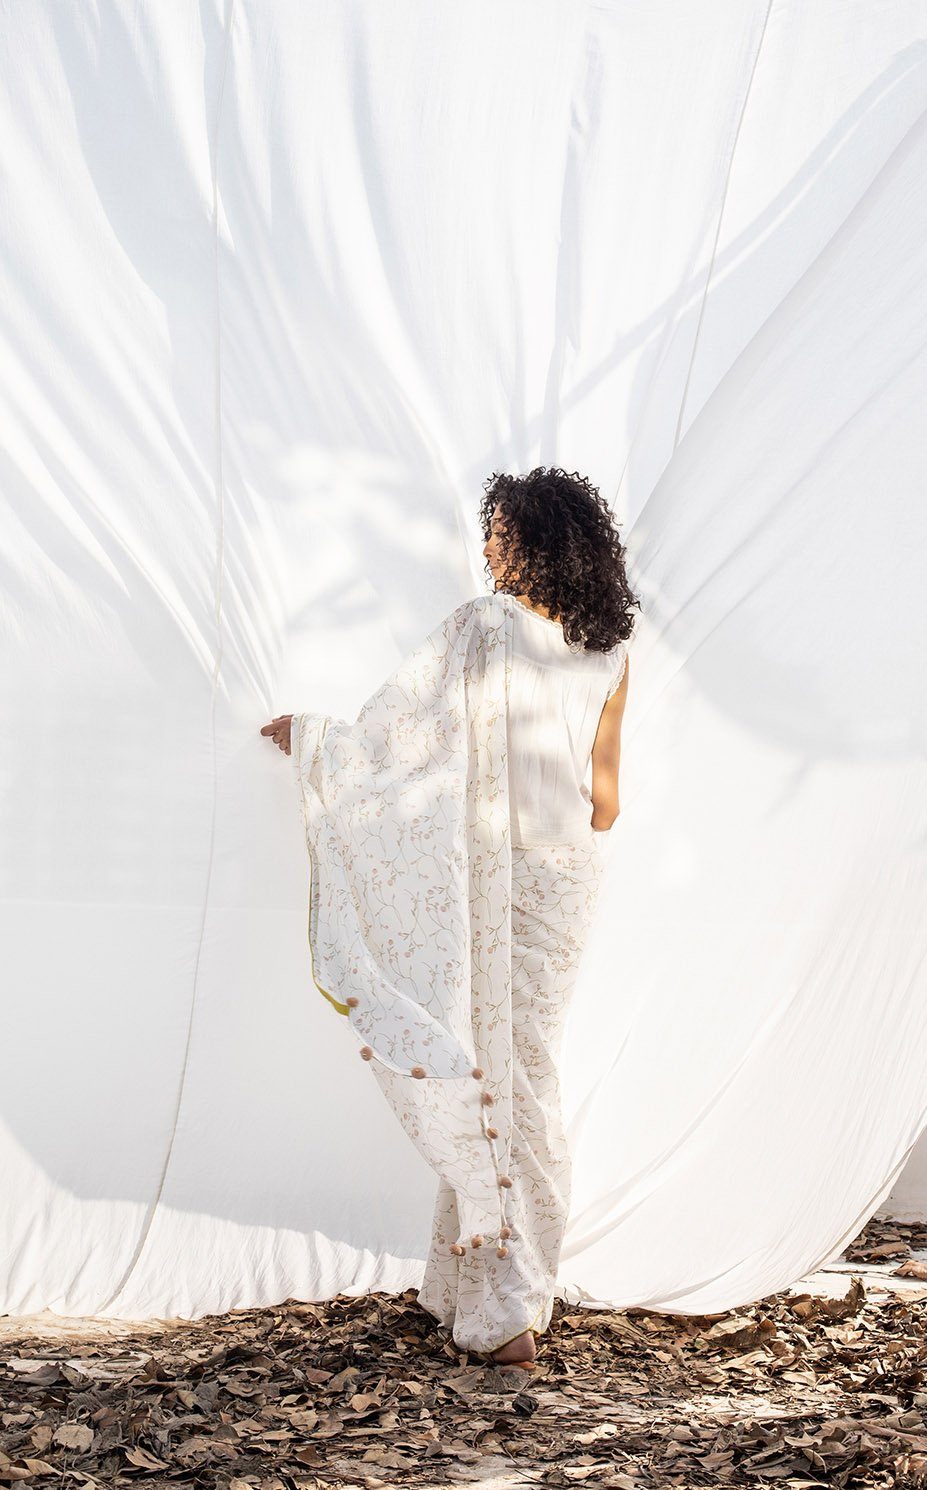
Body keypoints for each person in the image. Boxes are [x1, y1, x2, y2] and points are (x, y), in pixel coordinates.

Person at [261, 466, 639, 1371]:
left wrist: (316, 741)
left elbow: (396, 736)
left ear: (535, 541)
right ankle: (473, 1285)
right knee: (519, 1069)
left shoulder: (488, 625)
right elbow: (608, 803)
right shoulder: (613, 653)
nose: (488, 550)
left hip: (503, 873)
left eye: (499, 534)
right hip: (569, 880)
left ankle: (509, 1313)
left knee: (498, 1074)